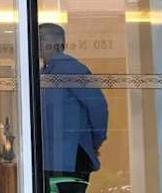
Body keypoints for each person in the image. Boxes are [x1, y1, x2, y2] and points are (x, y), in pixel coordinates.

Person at [39, 23, 109, 193]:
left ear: (57, 43)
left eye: (41, 38)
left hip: (70, 160)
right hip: (52, 160)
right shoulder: (43, 72)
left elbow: (97, 107)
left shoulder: (70, 67)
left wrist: (94, 142)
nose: (37, 43)